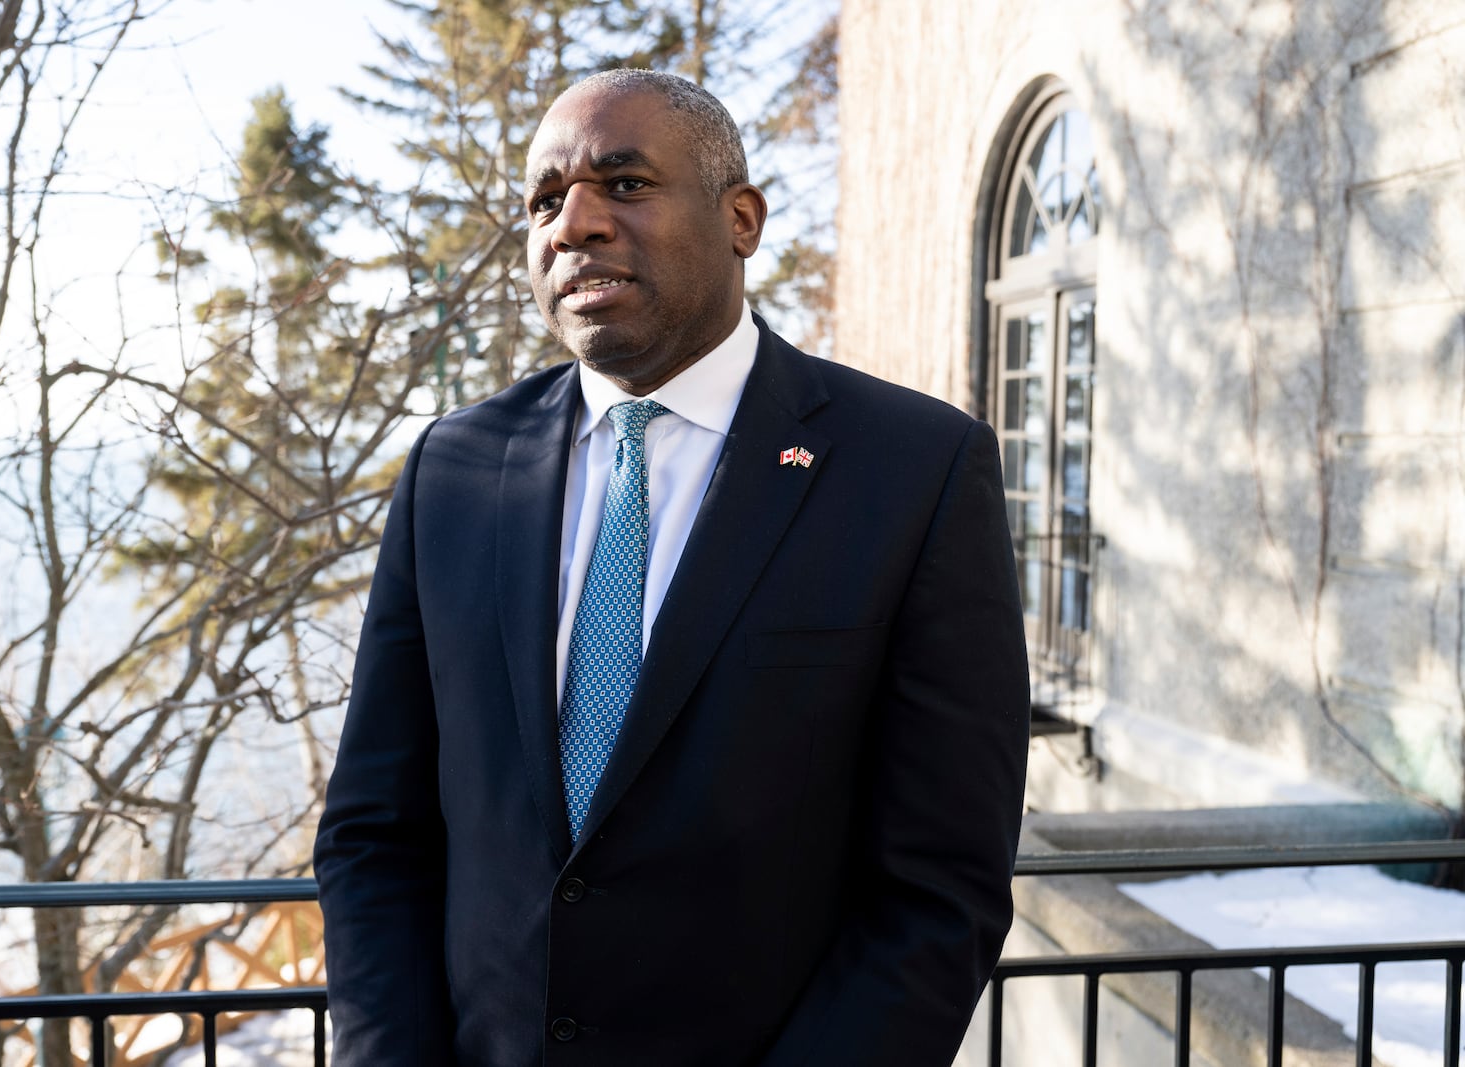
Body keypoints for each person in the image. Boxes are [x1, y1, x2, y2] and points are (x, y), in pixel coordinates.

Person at [313, 68, 1030, 1067]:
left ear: (740, 217)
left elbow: (936, 884)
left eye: (625, 182)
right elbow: (374, 833)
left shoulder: (913, 467)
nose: (575, 224)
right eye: (543, 200)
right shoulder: (455, 469)